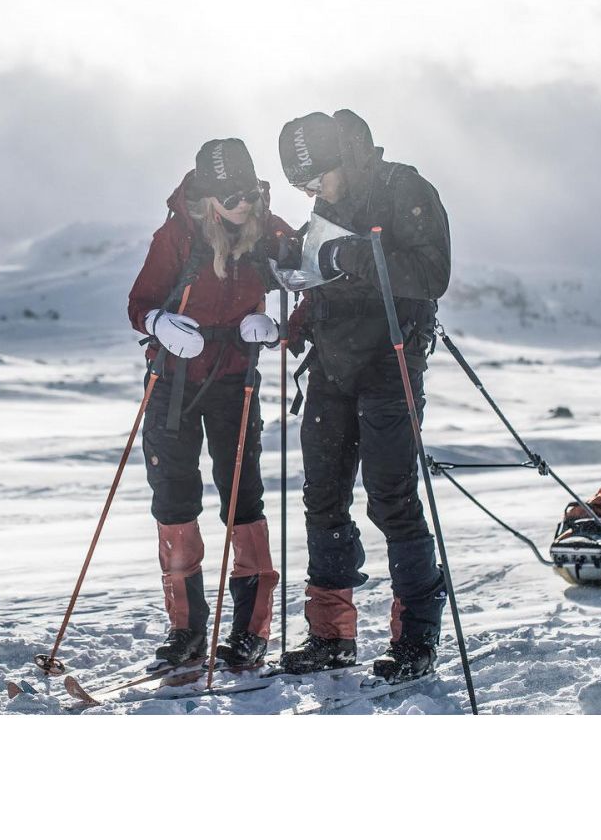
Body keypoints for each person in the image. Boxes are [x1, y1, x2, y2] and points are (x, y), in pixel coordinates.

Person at [274, 109, 451, 684]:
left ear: (342, 160)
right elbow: (324, 275)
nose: (311, 193)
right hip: (331, 363)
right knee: (323, 495)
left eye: (314, 179)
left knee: (391, 497)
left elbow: (432, 273)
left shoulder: (404, 188)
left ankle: (416, 638)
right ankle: (331, 636)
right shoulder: (328, 203)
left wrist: (354, 256)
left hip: (390, 362)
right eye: (300, 186)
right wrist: (301, 309)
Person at [128, 138, 292, 669]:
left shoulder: (269, 231)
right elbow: (139, 303)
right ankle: (187, 630)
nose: (244, 204)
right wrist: (159, 323)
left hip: (234, 379)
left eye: (249, 193)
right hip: (172, 383)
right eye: (231, 196)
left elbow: (310, 274)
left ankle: (250, 630)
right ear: (208, 196)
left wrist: (277, 329)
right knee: (174, 501)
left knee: (243, 498)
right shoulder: (177, 235)